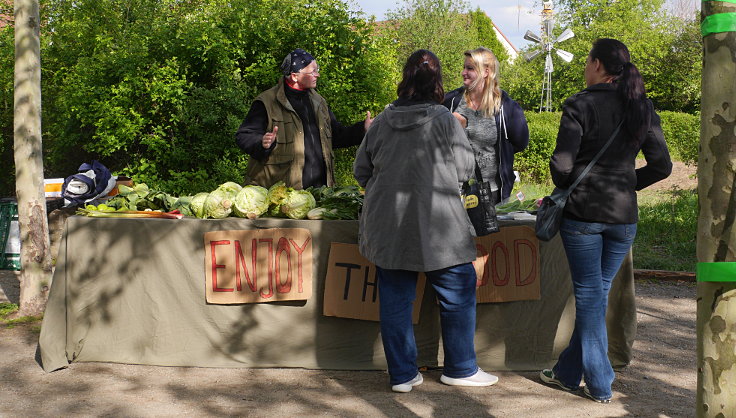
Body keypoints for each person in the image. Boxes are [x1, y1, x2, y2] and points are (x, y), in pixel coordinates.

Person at [354, 49, 498, 393]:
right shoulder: (446, 119)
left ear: (405, 78)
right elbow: (465, 170)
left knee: (395, 299)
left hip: (389, 226)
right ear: (437, 82)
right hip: (441, 227)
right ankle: (461, 368)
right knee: (458, 292)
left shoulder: (384, 120)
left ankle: (402, 375)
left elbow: (362, 171)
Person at [538, 38, 672, 403]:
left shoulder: (580, 104)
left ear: (597, 65)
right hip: (623, 217)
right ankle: (567, 373)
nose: (584, 66)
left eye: (587, 60)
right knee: (595, 296)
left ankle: (599, 383)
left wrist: (568, 185)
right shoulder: (641, 106)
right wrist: (628, 184)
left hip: (583, 216)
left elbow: (563, 167)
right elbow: (662, 166)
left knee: (590, 298)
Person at [235, 48, 373, 189]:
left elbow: (336, 136)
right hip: (283, 195)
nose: (317, 75)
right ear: (295, 76)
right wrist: (261, 142)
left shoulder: (319, 102)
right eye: (312, 71)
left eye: (317, 69)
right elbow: (243, 136)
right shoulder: (267, 102)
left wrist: (363, 129)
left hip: (320, 191)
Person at [443, 47, 529, 204]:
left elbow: (521, 142)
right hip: (455, 193)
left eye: (470, 68)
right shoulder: (450, 102)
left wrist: (494, 152)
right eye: (464, 67)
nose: (463, 72)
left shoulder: (506, 107)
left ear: (486, 72)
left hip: (492, 194)